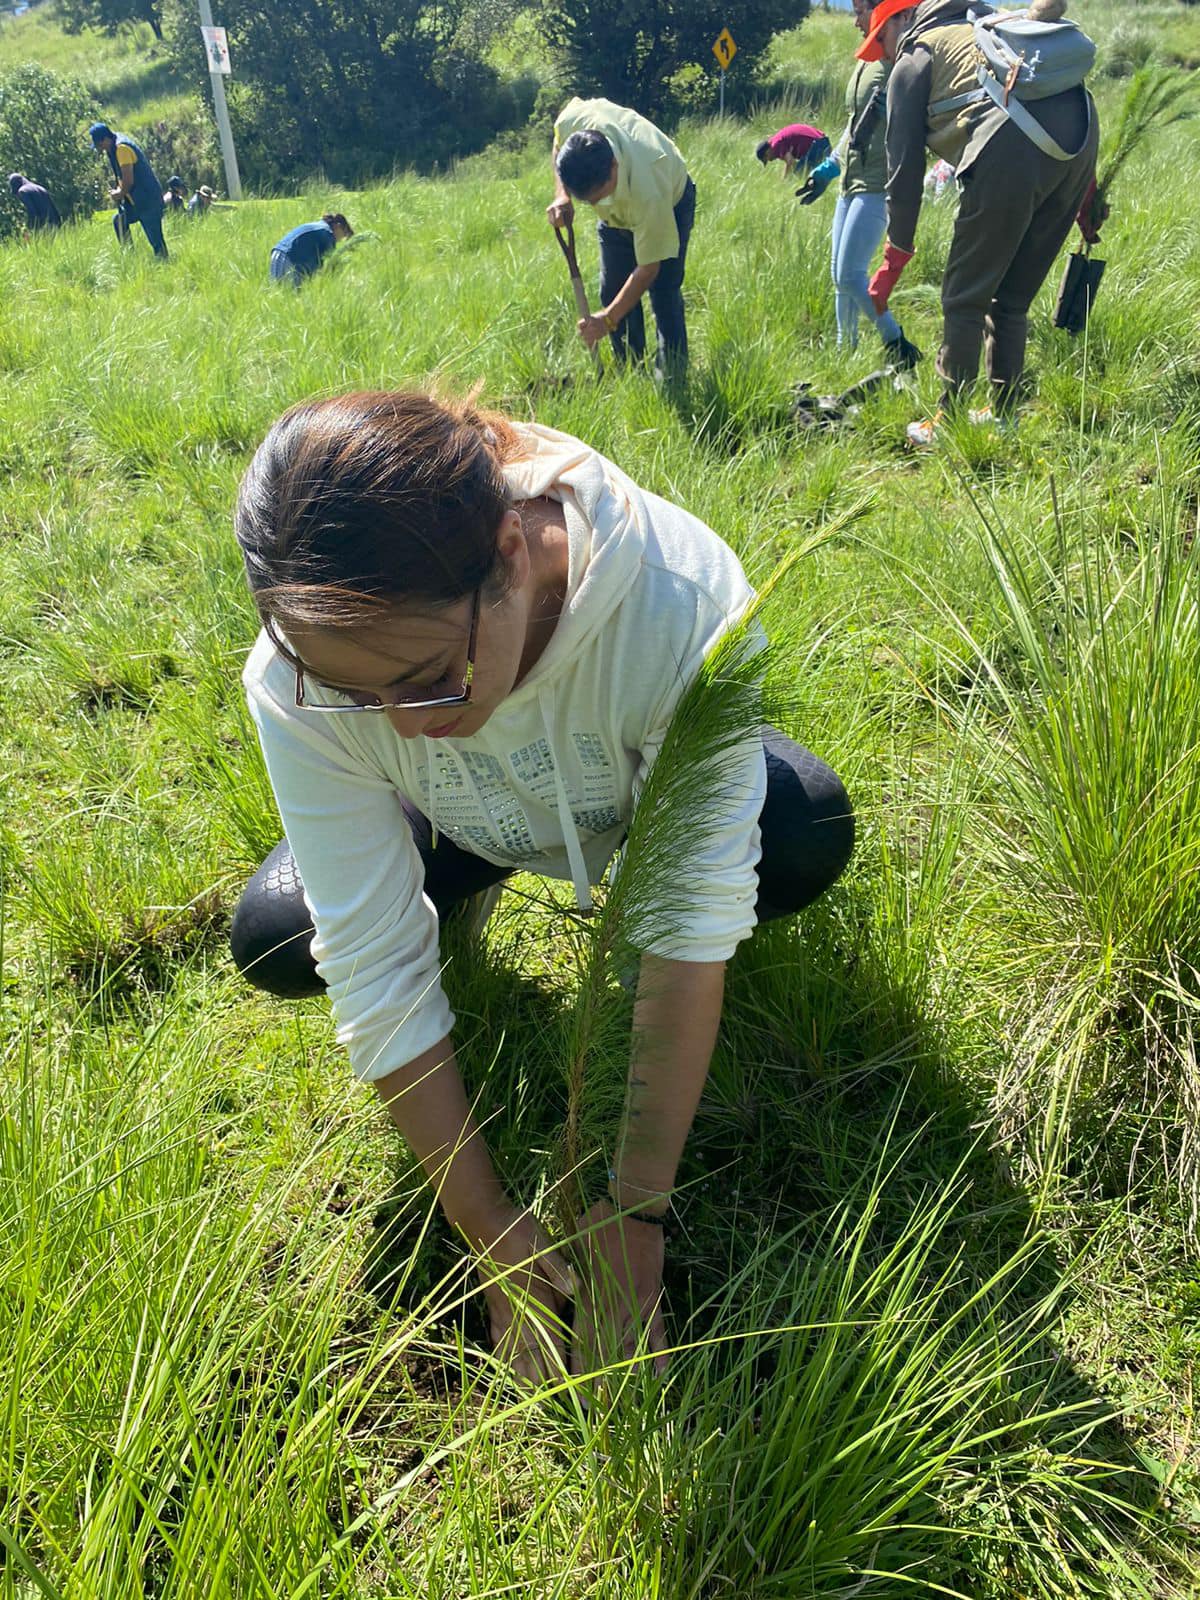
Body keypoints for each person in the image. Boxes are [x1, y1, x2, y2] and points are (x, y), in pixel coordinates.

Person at [229, 391, 854, 1381]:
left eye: (426, 674)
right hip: (469, 818)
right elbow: (368, 957)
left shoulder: (677, 602)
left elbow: (687, 926)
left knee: (800, 825)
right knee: (278, 932)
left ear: (511, 552)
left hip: (625, 810)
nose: (395, 727)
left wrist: (633, 1217)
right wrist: (487, 1224)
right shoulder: (298, 671)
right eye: (353, 693)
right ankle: (464, 894)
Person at [858, 0, 1098, 443]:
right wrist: (1087, 199)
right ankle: (1004, 415)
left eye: (879, 40)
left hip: (1012, 147)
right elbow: (1055, 92)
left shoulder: (916, 57)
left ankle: (948, 422)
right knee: (1013, 297)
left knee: (963, 297)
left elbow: (904, 171)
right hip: (1080, 144)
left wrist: (895, 256)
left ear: (901, 18)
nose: (883, 54)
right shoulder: (999, 24)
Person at [796, 0, 922, 369]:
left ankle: (898, 345)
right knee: (839, 275)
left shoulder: (896, 61)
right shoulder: (866, 62)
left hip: (878, 184)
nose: (855, 21)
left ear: (880, 11)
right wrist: (829, 167)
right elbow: (856, 125)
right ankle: (844, 350)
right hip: (850, 183)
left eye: (860, 12)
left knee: (851, 273)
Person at [549, 98, 696, 382]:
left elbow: (648, 269)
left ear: (614, 166)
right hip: (619, 217)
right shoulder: (573, 123)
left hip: (671, 202)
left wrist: (606, 320)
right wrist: (562, 195)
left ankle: (672, 378)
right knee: (612, 288)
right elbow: (558, 147)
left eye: (600, 196)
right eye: (587, 202)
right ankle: (632, 371)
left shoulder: (649, 190)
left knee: (663, 293)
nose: (594, 205)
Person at [89, 122, 168, 259]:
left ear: (105, 139)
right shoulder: (113, 147)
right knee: (119, 221)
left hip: (148, 200)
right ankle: (130, 258)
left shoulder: (122, 149)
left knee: (156, 242)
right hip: (135, 201)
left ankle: (165, 265)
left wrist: (119, 193)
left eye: (99, 145)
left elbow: (129, 180)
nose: (100, 149)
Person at [269, 212, 353, 285]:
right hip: (288, 258)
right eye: (344, 234)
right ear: (338, 226)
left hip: (281, 254)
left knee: (283, 293)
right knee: (288, 295)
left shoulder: (320, 227)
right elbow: (331, 267)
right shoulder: (328, 234)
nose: (341, 239)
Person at [755, 123, 831, 179]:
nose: (771, 160)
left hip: (817, 147)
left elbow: (791, 162)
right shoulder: (777, 139)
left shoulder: (775, 145)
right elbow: (789, 162)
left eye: (767, 158)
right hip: (825, 142)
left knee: (800, 173)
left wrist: (784, 181)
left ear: (767, 151)